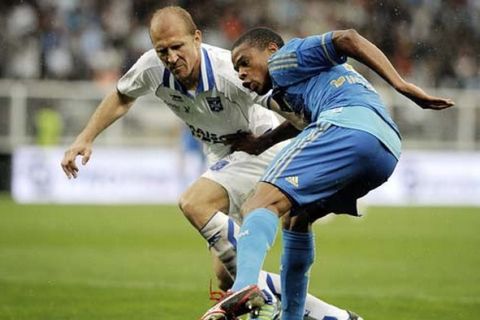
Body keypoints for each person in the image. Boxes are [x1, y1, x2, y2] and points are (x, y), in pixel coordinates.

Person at [60, 7, 361, 320]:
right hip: (222, 158)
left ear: (197, 38)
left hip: (259, 152)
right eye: (162, 51)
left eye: (178, 47)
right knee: (224, 273)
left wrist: (268, 144)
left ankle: (261, 305)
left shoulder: (230, 73)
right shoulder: (151, 67)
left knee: (194, 202)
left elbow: (299, 116)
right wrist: (86, 137)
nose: (171, 57)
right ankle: (335, 317)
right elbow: (123, 95)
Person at [200, 27, 454, 320]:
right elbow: (301, 121)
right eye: (236, 69)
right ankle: (292, 316)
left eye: (244, 61)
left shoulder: (284, 58)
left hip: (346, 125)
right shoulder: (302, 82)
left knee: (259, 203)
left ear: (270, 50)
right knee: (296, 219)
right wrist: (262, 143)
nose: (241, 73)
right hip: (385, 150)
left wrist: (401, 85)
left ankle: (244, 288)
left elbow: (347, 38)